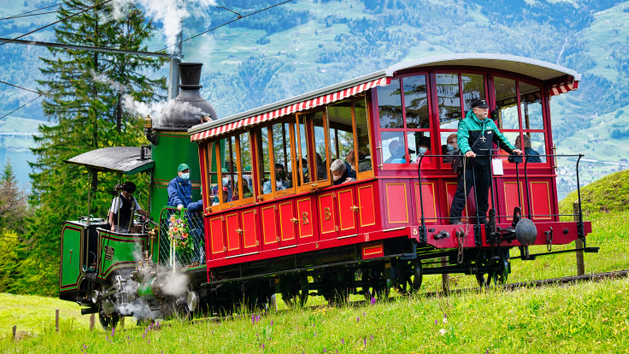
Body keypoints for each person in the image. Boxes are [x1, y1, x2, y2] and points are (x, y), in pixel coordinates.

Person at [449, 99, 523, 225]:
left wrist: (512, 150)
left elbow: (501, 138)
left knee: (483, 193)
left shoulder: (490, 123)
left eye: (486, 108)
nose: (485, 111)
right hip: (470, 165)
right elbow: (461, 139)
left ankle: (481, 217)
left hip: (485, 164)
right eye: (482, 108)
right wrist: (467, 150)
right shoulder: (465, 123)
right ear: (475, 110)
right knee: (462, 192)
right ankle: (455, 219)